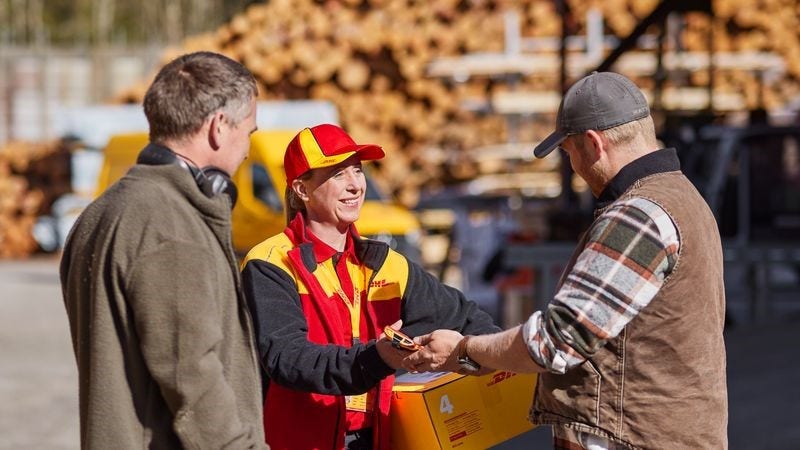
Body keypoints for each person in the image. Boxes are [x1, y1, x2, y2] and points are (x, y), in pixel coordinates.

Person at [404, 71, 728, 449]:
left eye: (569, 151)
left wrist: (465, 351)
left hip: (632, 438)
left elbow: (555, 341)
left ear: (593, 144)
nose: (573, 166)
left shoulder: (637, 216)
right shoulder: (683, 196)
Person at [240, 123, 499, 450]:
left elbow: (470, 320)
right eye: (337, 174)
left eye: (358, 171)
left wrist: (473, 353)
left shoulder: (387, 264)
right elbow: (289, 360)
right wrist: (378, 357)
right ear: (302, 190)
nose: (354, 185)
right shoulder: (270, 263)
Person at [60, 51, 268, 449]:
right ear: (218, 127)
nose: (245, 149)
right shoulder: (169, 225)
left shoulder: (102, 210)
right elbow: (192, 375)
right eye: (249, 132)